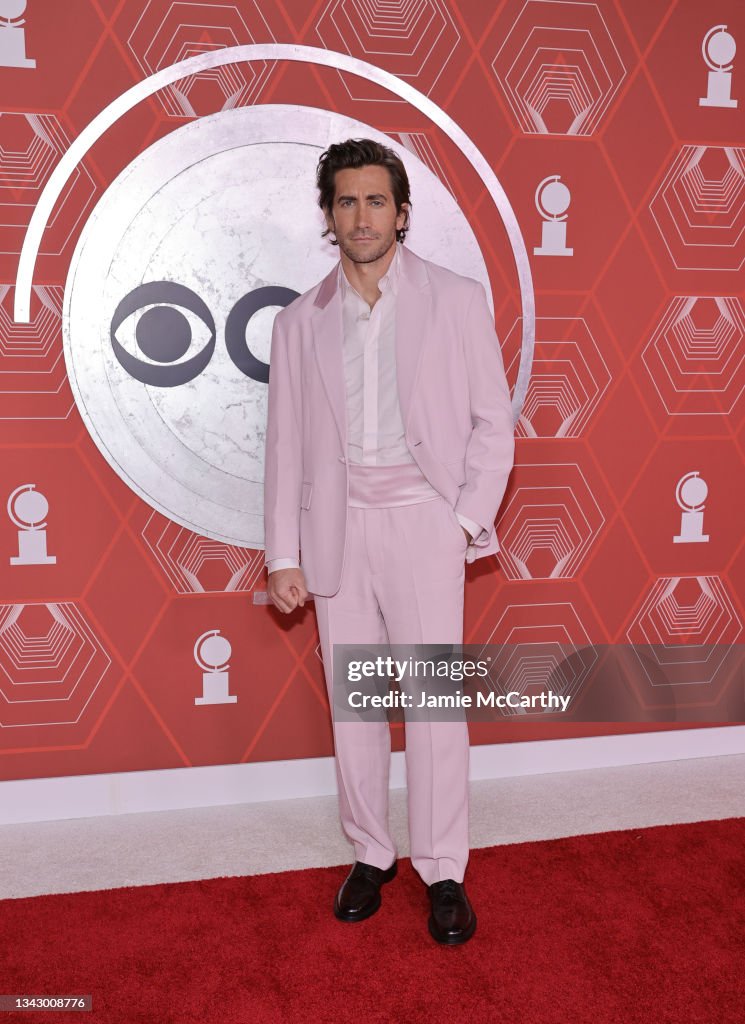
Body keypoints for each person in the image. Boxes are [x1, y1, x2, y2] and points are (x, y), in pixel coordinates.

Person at [264, 138, 515, 944]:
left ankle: (444, 869)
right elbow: (286, 448)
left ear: (402, 215)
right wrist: (282, 555)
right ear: (328, 216)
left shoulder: (454, 298)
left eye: (376, 201)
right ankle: (372, 853)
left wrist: (463, 521)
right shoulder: (299, 321)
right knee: (357, 708)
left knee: (434, 708)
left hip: (423, 523)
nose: (361, 216)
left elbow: (490, 422)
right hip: (337, 534)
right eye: (346, 201)